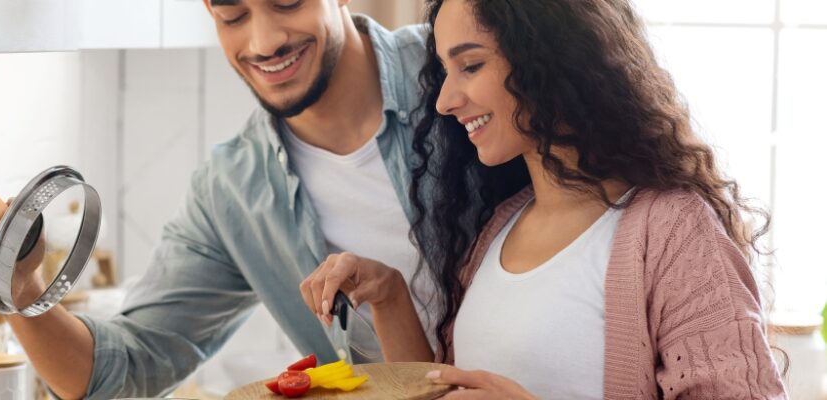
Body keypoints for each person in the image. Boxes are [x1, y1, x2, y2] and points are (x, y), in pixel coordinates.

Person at [299, 0, 788, 398]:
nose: (445, 100)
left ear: (550, 59)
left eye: (470, 65)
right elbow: (443, 389)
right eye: (445, 71)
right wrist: (389, 296)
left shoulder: (673, 231)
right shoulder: (500, 228)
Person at [0, 1, 442, 398]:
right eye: (233, 14)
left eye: (287, 2)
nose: (264, 41)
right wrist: (22, 292)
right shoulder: (233, 190)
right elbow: (122, 371)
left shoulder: (456, 68)